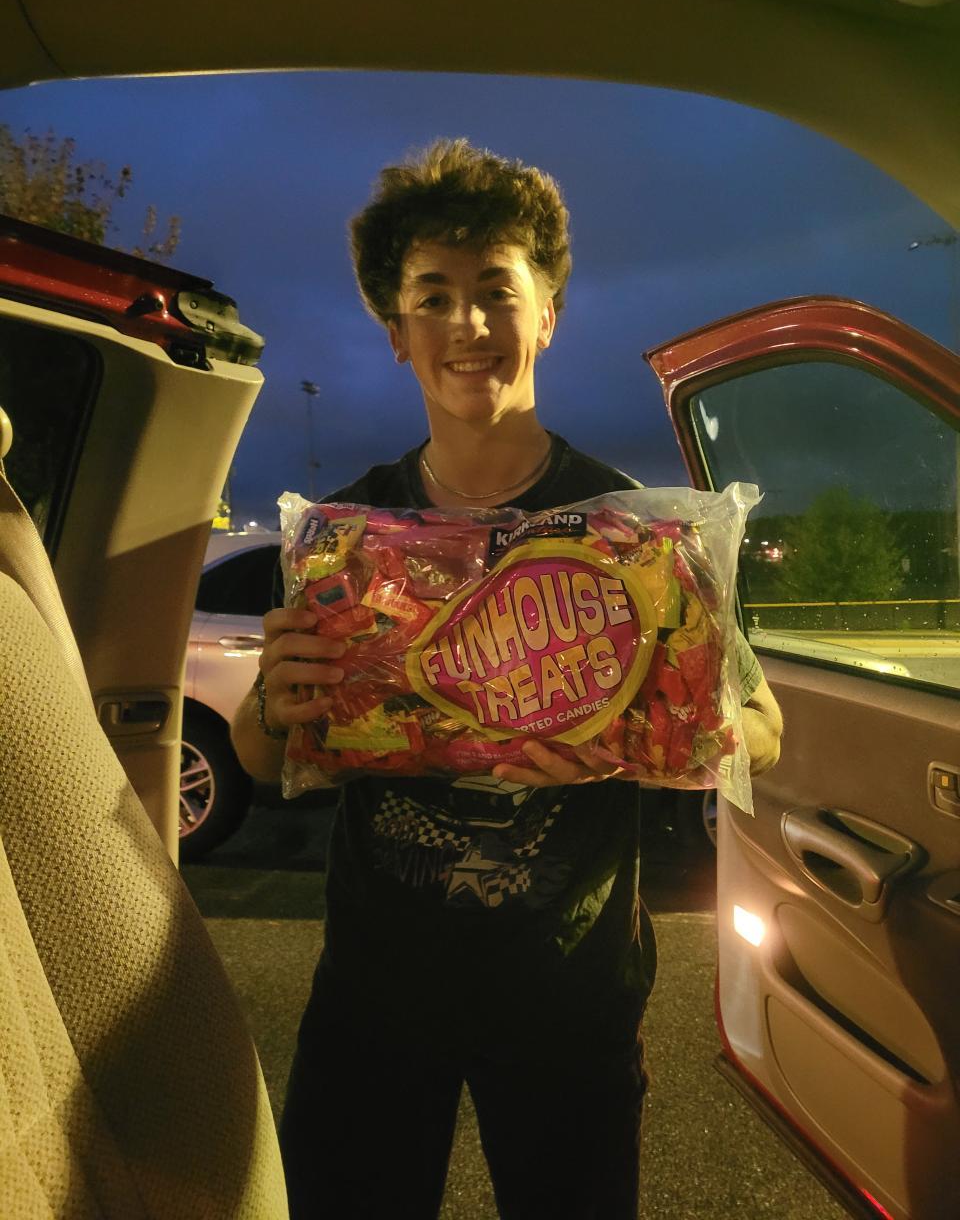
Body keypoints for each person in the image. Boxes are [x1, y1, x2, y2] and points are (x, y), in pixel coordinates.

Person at [231, 138, 783, 1220]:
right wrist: (271, 700)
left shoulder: (637, 533)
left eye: (497, 291)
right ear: (396, 334)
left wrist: (636, 737)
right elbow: (263, 754)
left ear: (549, 316)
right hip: (377, 993)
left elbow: (762, 728)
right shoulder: (350, 537)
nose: (468, 325)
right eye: (433, 297)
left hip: (572, 996)